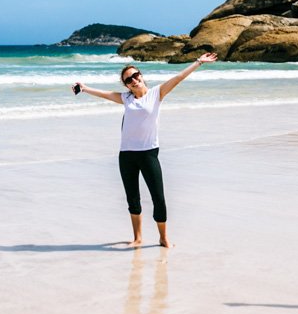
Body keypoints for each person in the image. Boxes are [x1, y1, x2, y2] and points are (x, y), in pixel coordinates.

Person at [73, 53, 217, 248]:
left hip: (149, 153)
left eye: (135, 75)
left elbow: (178, 78)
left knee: (159, 198)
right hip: (126, 156)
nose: (134, 80)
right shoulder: (125, 98)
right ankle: (138, 238)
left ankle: (163, 237)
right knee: (133, 198)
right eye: (128, 79)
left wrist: (198, 62)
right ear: (126, 85)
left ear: (141, 75)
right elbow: (103, 93)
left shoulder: (156, 94)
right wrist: (83, 88)